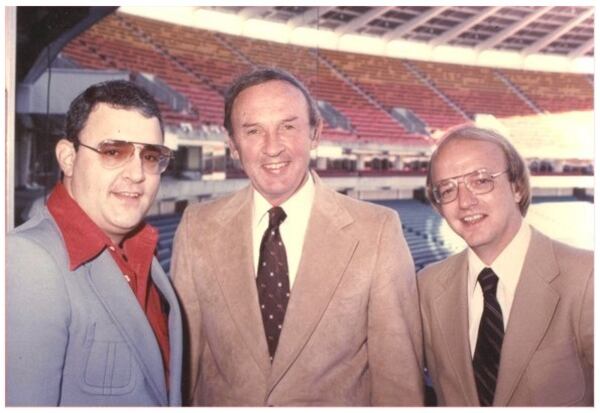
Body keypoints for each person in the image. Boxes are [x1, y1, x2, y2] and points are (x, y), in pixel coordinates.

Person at [171, 67, 423, 406]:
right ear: (232, 144)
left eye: (288, 126)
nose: (272, 147)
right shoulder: (196, 228)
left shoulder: (377, 231)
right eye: (253, 131)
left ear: (315, 133)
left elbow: (398, 381)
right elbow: (185, 370)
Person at [6, 80, 183, 406]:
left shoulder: (142, 253)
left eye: (150, 155)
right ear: (68, 157)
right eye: (114, 151)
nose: (137, 174)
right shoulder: (29, 261)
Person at [418, 125, 593, 406]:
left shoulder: (587, 278)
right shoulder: (425, 288)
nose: (465, 201)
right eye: (447, 189)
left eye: (481, 181)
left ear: (517, 188)